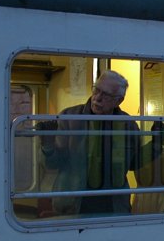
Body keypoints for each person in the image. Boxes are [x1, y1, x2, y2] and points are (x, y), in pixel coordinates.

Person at [39, 70, 143, 216]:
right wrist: (47, 145)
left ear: (119, 101)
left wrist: (157, 143)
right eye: (96, 90)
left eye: (106, 95)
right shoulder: (69, 118)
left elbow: (133, 163)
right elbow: (53, 164)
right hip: (74, 203)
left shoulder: (128, 125)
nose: (97, 98)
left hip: (114, 205)